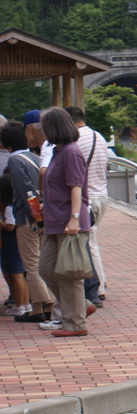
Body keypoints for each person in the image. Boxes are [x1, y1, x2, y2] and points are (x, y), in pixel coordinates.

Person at [37, 107, 95, 337]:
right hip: (54, 220)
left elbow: (76, 188)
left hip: (68, 222)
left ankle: (75, 323)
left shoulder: (71, 152)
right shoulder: (59, 151)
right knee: (46, 268)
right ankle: (81, 306)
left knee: (69, 274)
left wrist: (74, 218)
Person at [2, 118, 55, 325]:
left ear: (5, 144)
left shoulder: (14, 161)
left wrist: (35, 218)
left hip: (27, 218)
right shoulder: (33, 156)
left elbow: (26, 191)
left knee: (31, 264)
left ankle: (44, 305)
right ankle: (39, 306)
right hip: (41, 216)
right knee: (41, 261)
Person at [67, 106, 109, 306]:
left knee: (89, 243)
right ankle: (100, 285)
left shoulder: (75, 140)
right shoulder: (98, 137)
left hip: (88, 198)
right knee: (92, 241)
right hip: (102, 194)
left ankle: (98, 287)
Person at [0, 173, 30, 316]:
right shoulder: (16, 204)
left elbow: (9, 227)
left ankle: (19, 305)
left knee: (16, 274)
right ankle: (25, 304)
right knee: (20, 274)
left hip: (11, 245)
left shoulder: (9, 207)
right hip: (16, 243)